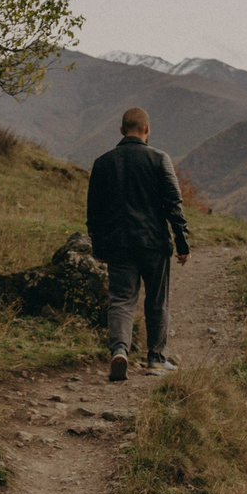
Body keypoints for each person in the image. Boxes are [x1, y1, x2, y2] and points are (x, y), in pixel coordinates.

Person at [85, 105, 191, 383]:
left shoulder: (102, 162)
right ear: (147, 130)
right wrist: (182, 243)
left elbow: (94, 211)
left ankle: (120, 351)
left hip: (118, 244)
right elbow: (174, 204)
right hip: (154, 243)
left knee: (121, 299)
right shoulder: (159, 159)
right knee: (157, 301)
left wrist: (98, 246)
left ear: (121, 130)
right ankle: (155, 359)